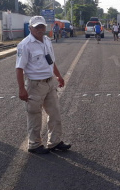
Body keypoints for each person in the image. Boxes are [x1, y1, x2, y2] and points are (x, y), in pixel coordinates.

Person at [16, 16, 71, 154]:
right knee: (34, 115)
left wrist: (58, 75)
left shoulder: (47, 40)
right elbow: (19, 68)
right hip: (35, 85)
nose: (40, 29)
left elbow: (50, 61)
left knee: (55, 113)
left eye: (42, 26)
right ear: (30, 28)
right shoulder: (25, 45)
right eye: (37, 27)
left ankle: (55, 141)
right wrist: (22, 89)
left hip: (50, 82)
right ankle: (34, 144)